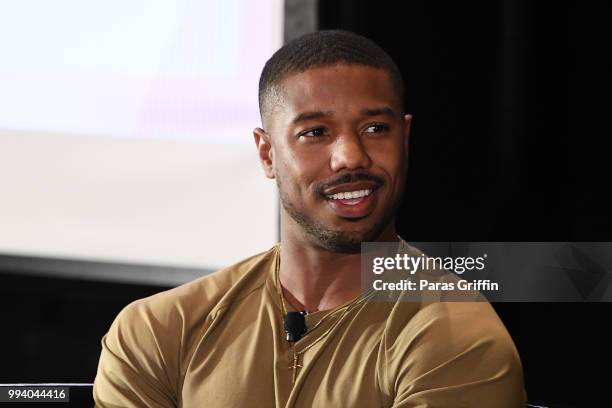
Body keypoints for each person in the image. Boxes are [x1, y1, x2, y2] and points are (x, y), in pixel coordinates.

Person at [93, 30, 526, 407]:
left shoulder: (457, 337)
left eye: (376, 128)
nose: (351, 157)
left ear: (405, 138)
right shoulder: (157, 331)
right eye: (315, 133)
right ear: (267, 153)